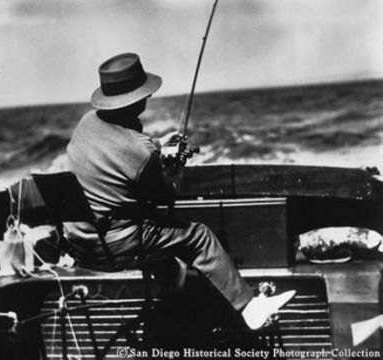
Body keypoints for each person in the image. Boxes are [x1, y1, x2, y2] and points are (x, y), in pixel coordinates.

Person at [64, 52, 295, 330]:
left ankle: (173, 314)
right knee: (199, 236)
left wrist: (158, 146)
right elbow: (166, 193)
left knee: (168, 264)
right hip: (118, 244)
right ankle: (250, 307)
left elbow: (115, 152)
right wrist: (178, 164)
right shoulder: (140, 150)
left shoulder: (86, 123)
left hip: (83, 242)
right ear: (138, 98)